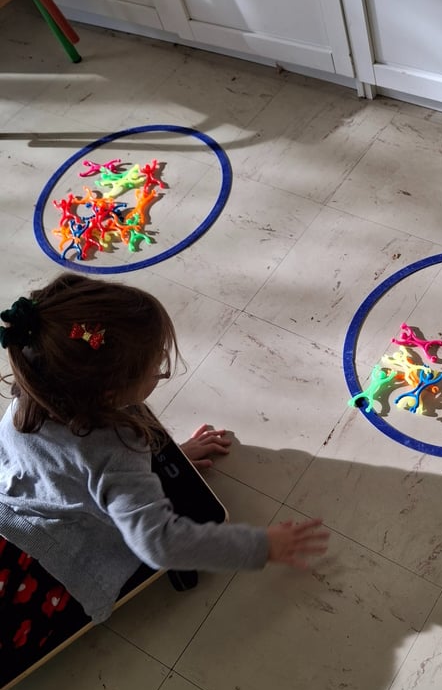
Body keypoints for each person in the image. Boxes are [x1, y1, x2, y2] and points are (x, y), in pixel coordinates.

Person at [0, 272, 329, 635]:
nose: (161, 367)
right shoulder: (116, 452)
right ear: (109, 394)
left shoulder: (32, 393)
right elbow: (160, 545)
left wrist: (165, 459)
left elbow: (65, 468)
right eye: (157, 366)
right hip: (44, 572)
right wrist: (261, 546)